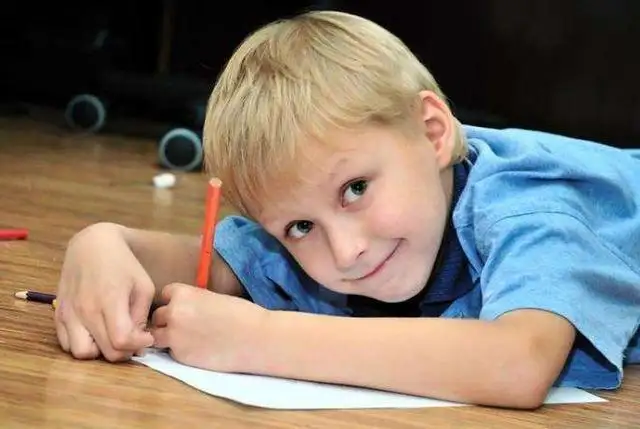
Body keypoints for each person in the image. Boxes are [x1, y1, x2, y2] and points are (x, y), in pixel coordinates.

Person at [53, 10, 640, 409]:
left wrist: (260, 338)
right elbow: (215, 265)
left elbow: (518, 364)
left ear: (433, 133)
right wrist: (102, 246)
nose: (346, 250)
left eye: (356, 189)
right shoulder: (347, 221)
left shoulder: (531, 204)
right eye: (300, 227)